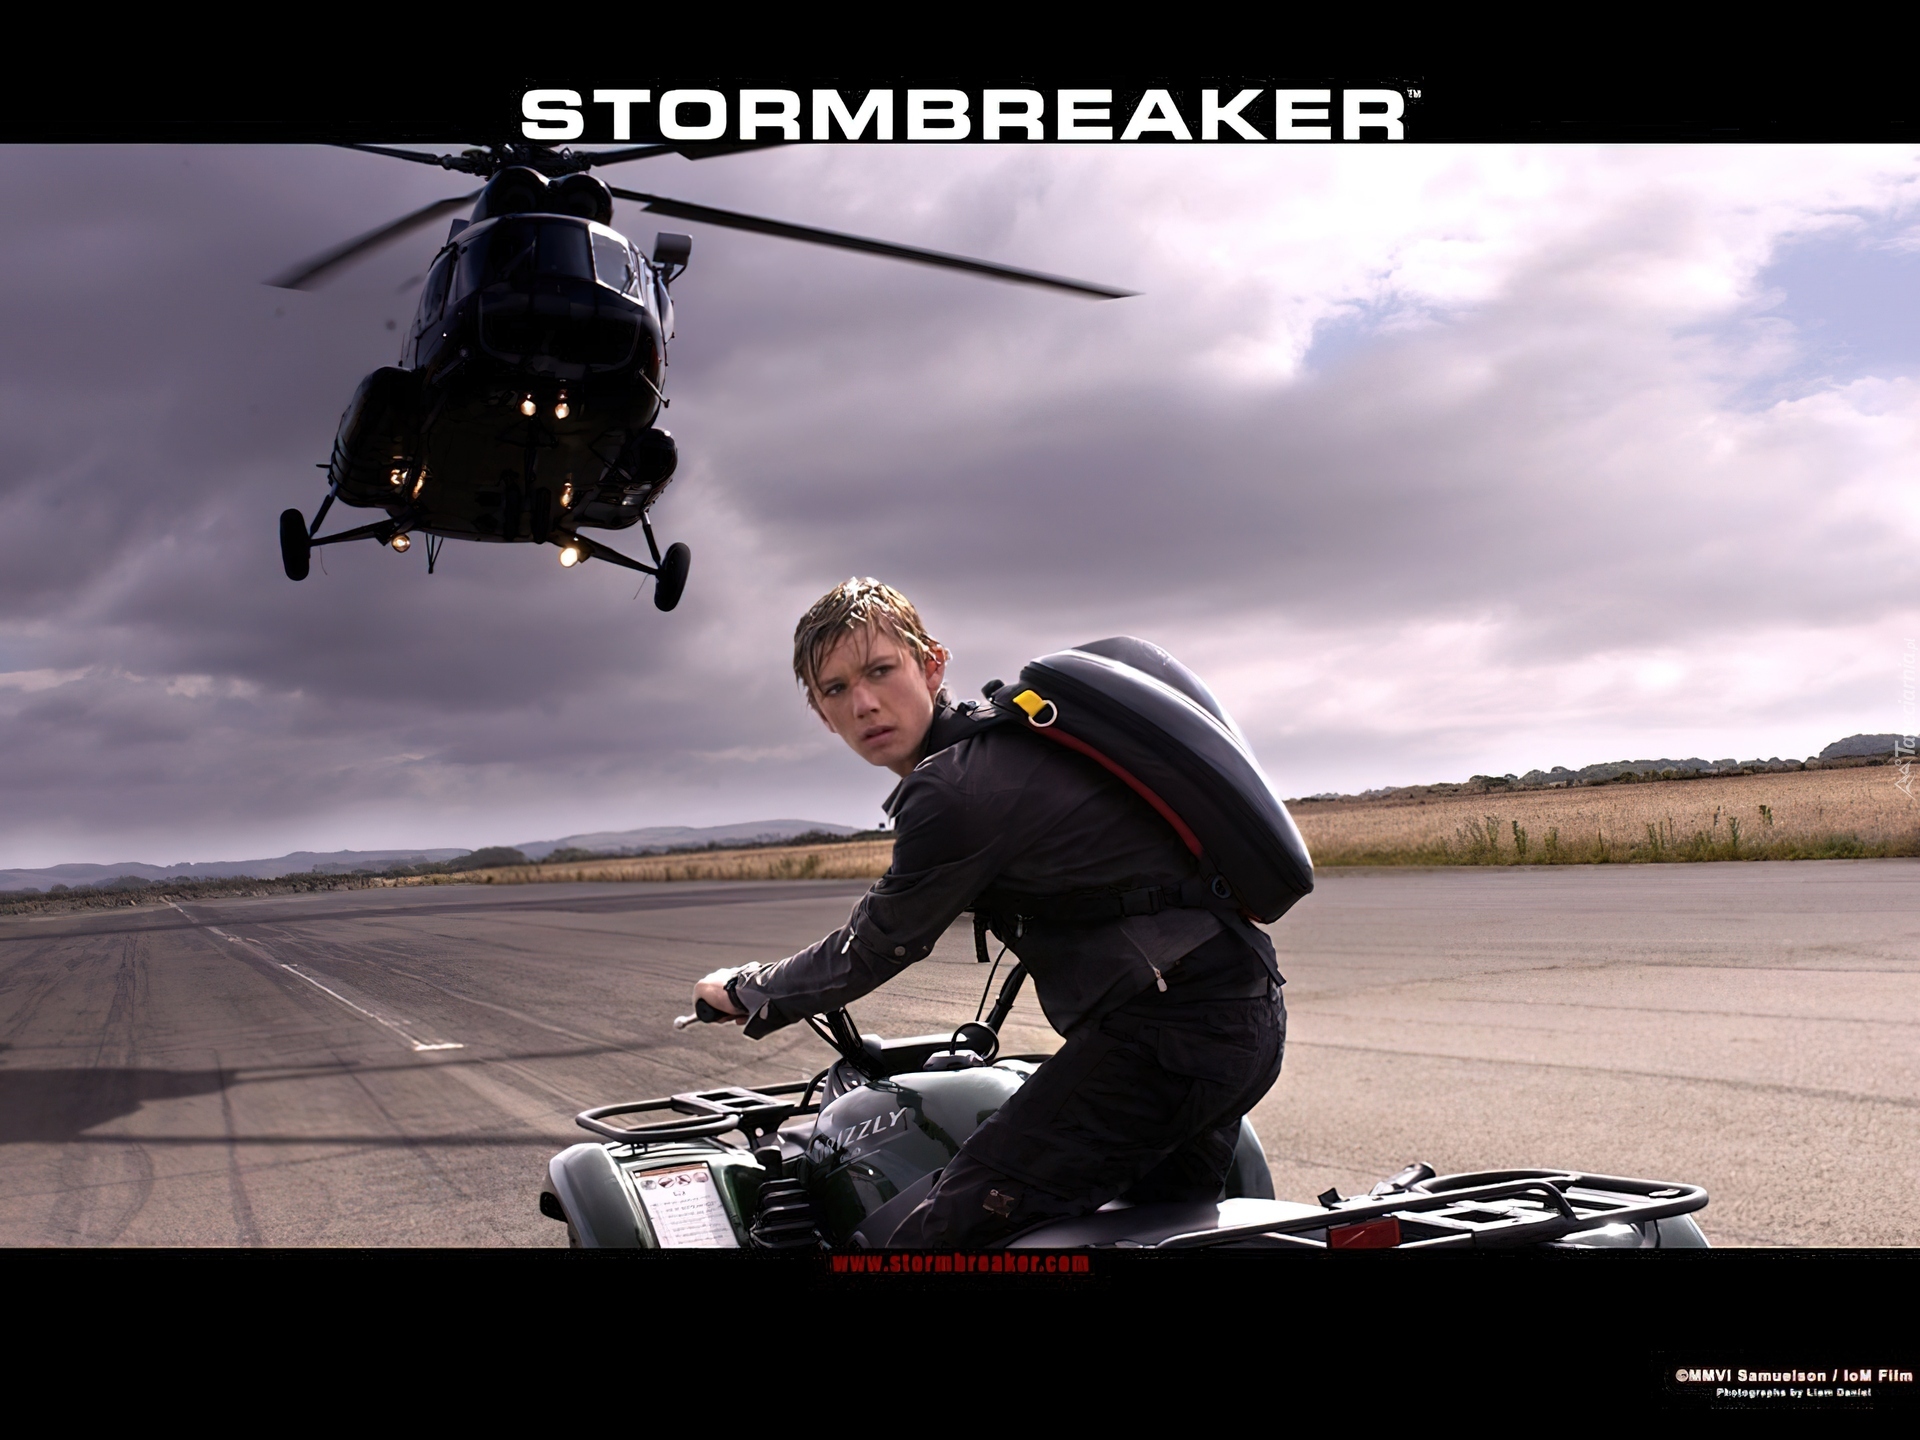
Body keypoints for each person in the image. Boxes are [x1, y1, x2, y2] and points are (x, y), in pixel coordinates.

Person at [692, 578, 1287, 1247]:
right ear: (822, 714)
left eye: (880, 671)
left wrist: (747, 990)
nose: (863, 703)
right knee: (1147, 1231)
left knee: (927, 1245)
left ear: (931, 666)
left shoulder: (957, 788)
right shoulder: (1006, 749)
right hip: (1241, 1017)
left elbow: (876, 944)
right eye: (835, 689)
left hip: (1166, 1044)